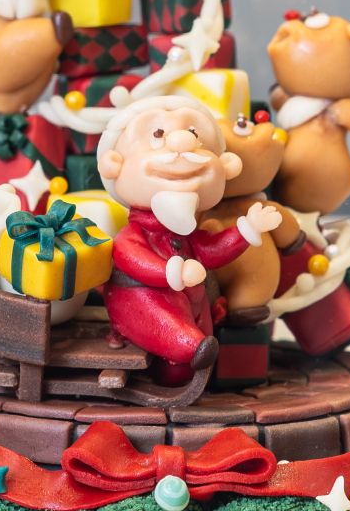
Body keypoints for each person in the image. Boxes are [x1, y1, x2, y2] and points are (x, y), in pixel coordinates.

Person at [96, 97, 281, 384]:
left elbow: (211, 249)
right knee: (168, 327)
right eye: (158, 134)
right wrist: (173, 272)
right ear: (113, 166)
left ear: (225, 166)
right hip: (141, 296)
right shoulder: (134, 234)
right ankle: (190, 348)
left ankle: (194, 355)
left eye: (194, 133)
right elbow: (129, 256)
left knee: (197, 336)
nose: (182, 141)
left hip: (194, 299)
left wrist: (246, 230)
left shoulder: (188, 235)